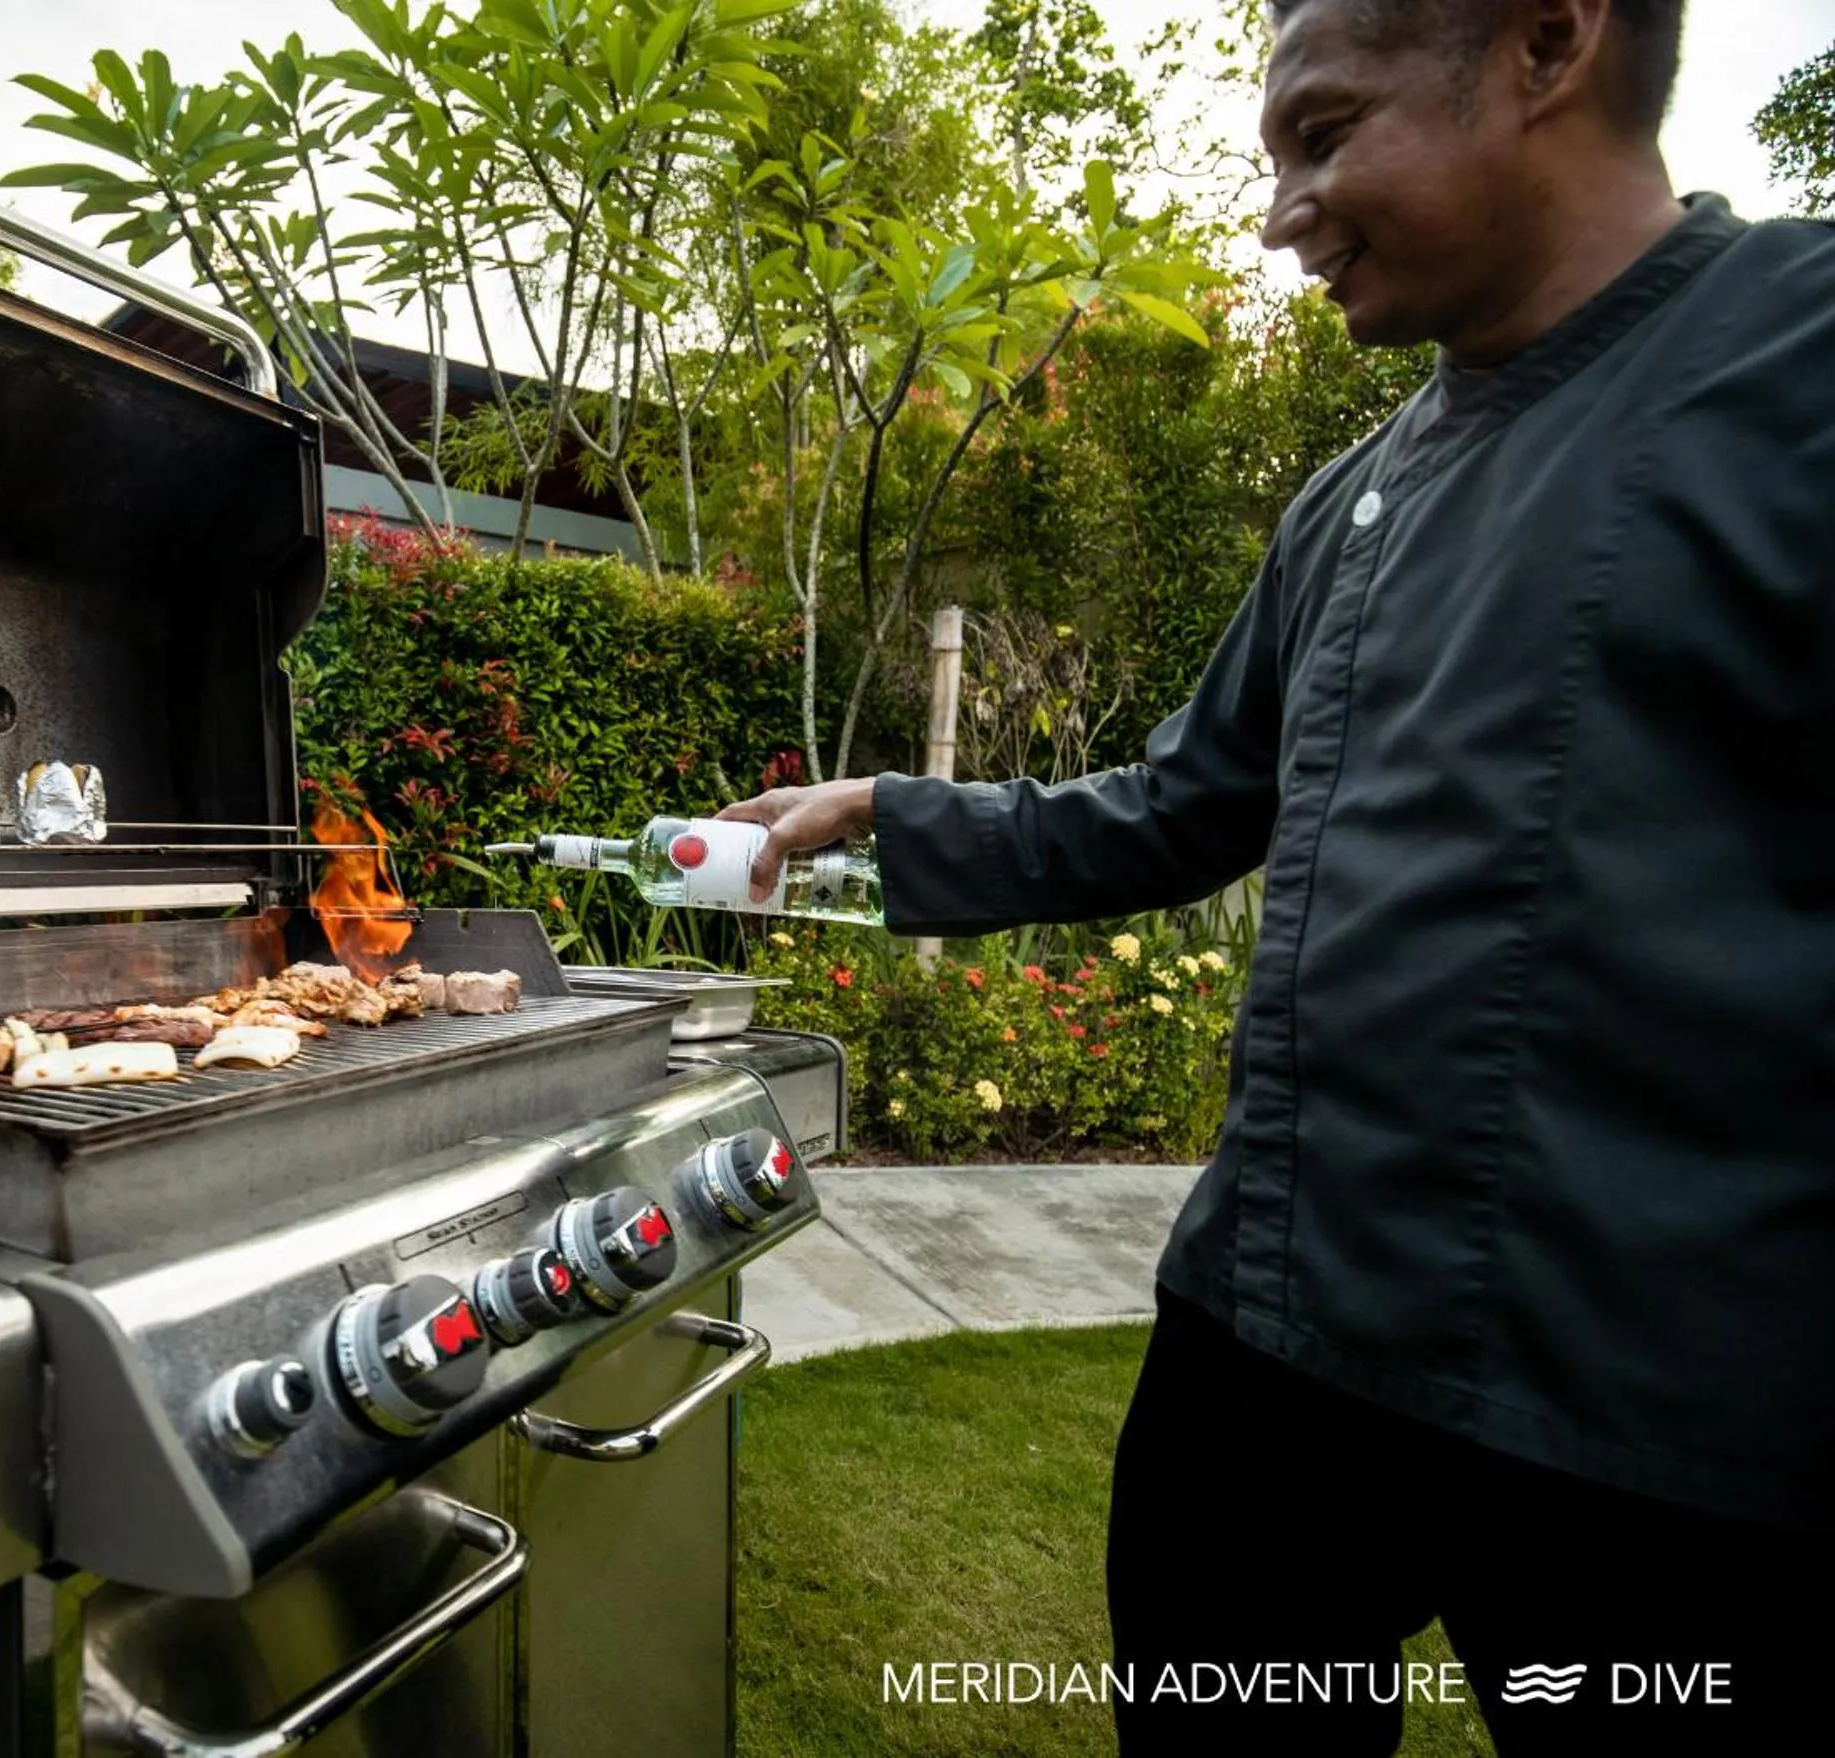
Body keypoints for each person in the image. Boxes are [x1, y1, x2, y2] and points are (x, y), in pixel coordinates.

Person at [720, 1, 1834, 1750]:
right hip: (1272, 1355)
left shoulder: (1803, 358)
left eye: (1324, 134)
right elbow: (1179, 803)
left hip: (1658, 1416)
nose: (1280, 210)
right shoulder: (1349, 501)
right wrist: (895, 810)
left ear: (1548, 42)